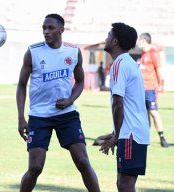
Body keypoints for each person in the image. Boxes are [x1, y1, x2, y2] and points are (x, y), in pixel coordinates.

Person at [16, 13, 100, 192]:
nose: (46, 32)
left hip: (67, 115)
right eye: (44, 28)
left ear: (61, 30)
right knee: (35, 168)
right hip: (39, 116)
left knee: (83, 162)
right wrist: (21, 117)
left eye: (50, 28)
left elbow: (80, 81)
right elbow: (21, 85)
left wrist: (70, 99)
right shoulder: (33, 52)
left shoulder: (73, 51)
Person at [100, 23, 150, 192]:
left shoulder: (120, 65)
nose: (105, 38)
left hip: (130, 134)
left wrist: (117, 135)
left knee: (125, 184)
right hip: (133, 132)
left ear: (114, 41)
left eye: (108, 35)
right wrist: (116, 133)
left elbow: (118, 104)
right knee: (124, 184)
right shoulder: (128, 63)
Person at [138, 32, 169, 148]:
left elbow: (159, 69)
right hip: (142, 89)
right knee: (145, 115)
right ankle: (146, 139)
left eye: (139, 41)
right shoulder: (143, 54)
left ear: (143, 41)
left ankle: (162, 138)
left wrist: (161, 84)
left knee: (153, 112)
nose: (138, 43)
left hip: (151, 88)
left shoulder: (153, 53)